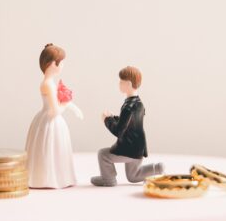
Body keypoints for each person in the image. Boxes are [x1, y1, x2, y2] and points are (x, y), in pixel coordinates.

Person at [91, 66, 164, 187]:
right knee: (133, 176)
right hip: (138, 148)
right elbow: (130, 123)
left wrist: (106, 120)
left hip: (129, 149)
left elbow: (119, 131)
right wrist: (113, 117)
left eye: (121, 82)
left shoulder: (128, 107)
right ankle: (157, 168)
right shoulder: (139, 103)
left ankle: (108, 179)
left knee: (102, 154)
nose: (119, 84)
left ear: (129, 84)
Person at [25, 43, 84, 189]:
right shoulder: (47, 84)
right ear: (52, 64)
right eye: (61, 62)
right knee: (49, 150)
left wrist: (72, 106)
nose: (63, 65)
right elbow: (55, 110)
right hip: (49, 121)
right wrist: (67, 104)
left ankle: (57, 177)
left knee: (54, 150)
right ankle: (47, 179)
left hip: (50, 120)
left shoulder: (50, 83)